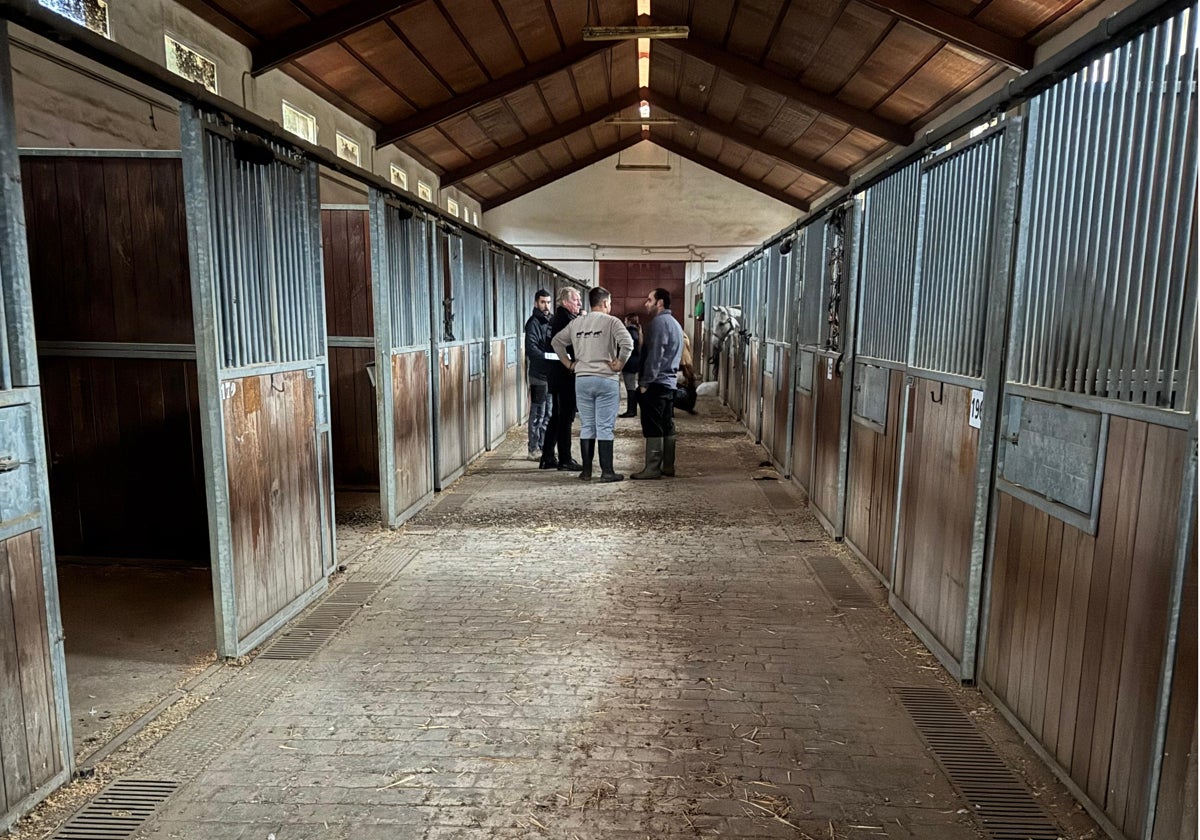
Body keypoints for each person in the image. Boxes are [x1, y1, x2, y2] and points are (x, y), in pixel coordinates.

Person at [552, 287, 632, 482]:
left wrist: (569, 364)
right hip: (606, 378)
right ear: (604, 303)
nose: (610, 306)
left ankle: (586, 471)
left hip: (582, 379)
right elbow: (628, 343)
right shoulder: (612, 322)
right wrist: (620, 363)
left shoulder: (577, 322)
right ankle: (607, 472)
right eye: (610, 303)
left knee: (587, 425)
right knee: (604, 426)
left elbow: (556, 342)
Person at [632, 287, 684, 480]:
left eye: (649, 300)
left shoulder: (658, 324)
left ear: (659, 303)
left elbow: (655, 355)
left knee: (653, 425)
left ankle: (652, 468)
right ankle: (668, 465)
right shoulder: (675, 324)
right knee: (667, 424)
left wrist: (645, 382)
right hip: (669, 382)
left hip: (656, 383)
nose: (646, 303)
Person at [540, 286, 584, 471]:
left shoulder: (557, 318)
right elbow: (572, 347)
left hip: (556, 374)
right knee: (565, 417)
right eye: (576, 300)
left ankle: (548, 456)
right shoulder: (566, 320)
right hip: (564, 374)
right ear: (565, 301)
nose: (579, 304)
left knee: (557, 417)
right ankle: (565, 458)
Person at [523, 288, 554, 460]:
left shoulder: (549, 321)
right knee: (537, 412)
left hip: (548, 375)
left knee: (548, 412)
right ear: (536, 303)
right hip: (537, 375)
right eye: (543, 302)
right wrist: (549, 357)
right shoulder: (533, 323)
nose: (546, 305)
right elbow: (531, 349)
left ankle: (543, 446)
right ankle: (533, 448)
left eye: (548, 302)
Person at [619, 313, 641, 418]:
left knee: (630, 387)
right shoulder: (637, 331)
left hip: (630, 363)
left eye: (625, 320)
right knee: (631, 387)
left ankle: (631, 410)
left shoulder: (629, 332)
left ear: (629, 321)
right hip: (634, 362)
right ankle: (632, 410)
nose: (624, 322)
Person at [676, 332, 698, 415]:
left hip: (683, 363)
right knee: (691, 387)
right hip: (684, 363)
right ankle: (689, 407)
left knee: (690, 387)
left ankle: (688, 407)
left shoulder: (681, 335)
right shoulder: (684, 336)